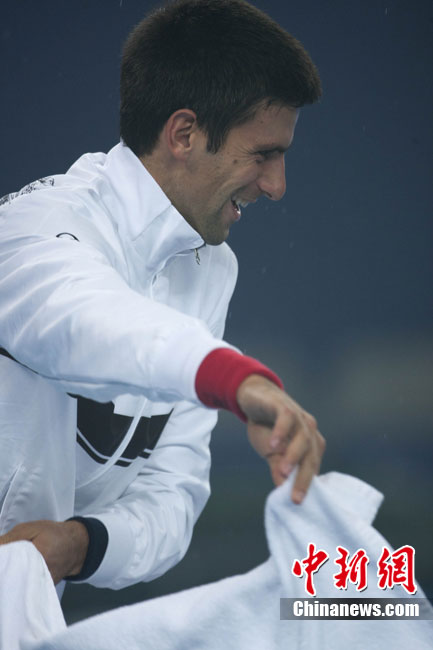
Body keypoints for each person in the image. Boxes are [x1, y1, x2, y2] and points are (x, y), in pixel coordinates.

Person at [0, 0, 324, 590]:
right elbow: (91, 327)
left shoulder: (211, 269)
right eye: (263, 154)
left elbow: (174, 492)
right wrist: (238, 380)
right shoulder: (34, 228)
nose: (277, 186)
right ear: (183, 134)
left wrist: (80, 545)